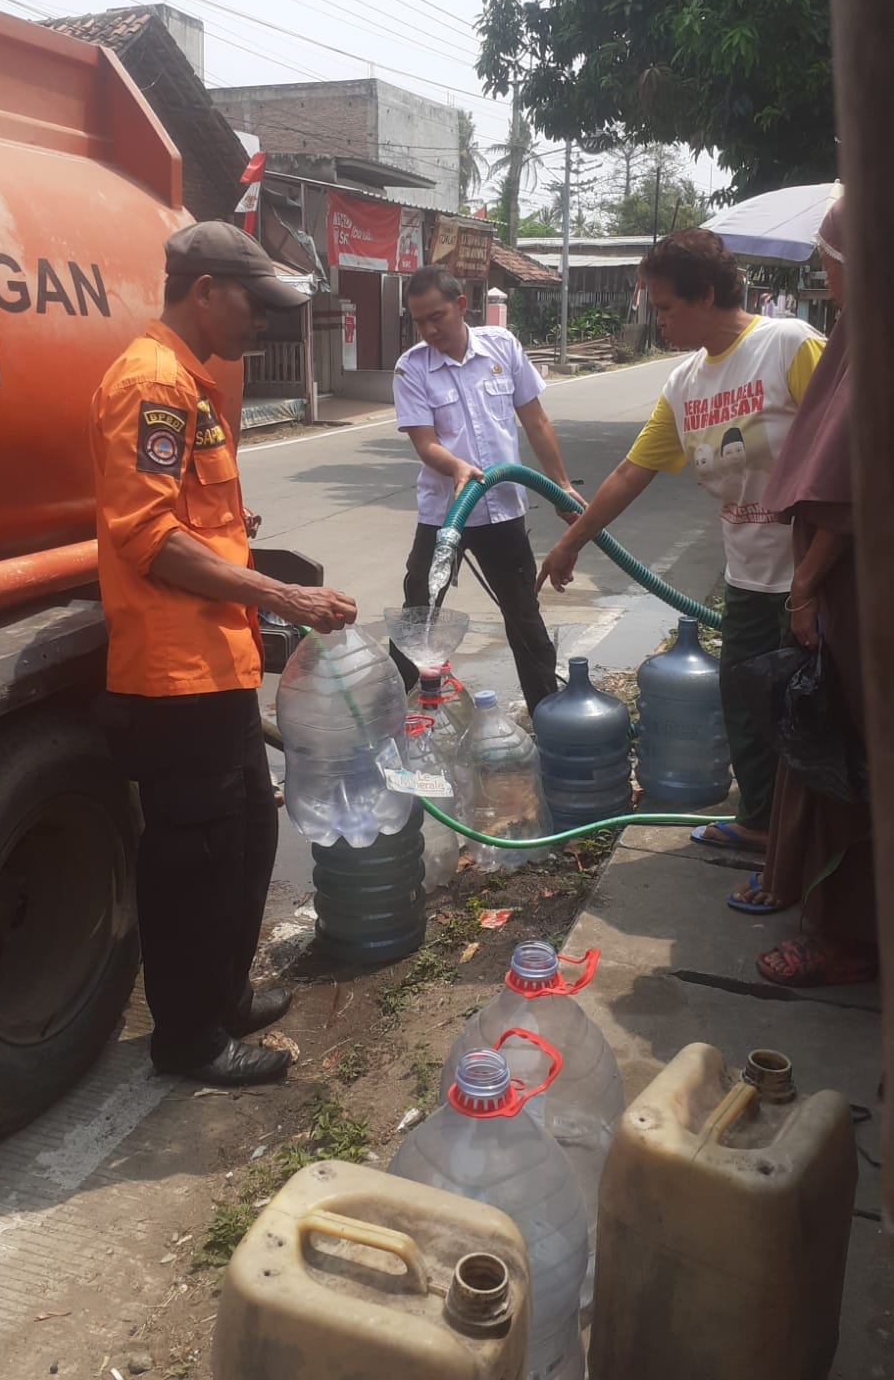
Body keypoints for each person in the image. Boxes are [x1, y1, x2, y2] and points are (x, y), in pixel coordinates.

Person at [90, 222, 357, 1088]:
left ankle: (227, 993)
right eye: (255, 304)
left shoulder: (194, 382)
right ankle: (188, 1039)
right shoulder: (153, 381)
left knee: (246, 834)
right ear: (204, 289)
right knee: (192, 864)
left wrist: (243, 555)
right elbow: (149, 537)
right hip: (175, 677)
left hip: (219, 664)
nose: (265, 325)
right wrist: (285, 597)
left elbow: (195, 523)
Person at [537, 228, 826, 848]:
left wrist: (817, 576)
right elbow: (630, 472)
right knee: (747, 704)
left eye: (666, 306)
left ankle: (812, 845)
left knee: (814, 715)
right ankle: (760, 826)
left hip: (820, 574)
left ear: (710, 295)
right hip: (750, 575)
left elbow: (853, 448)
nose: (657, 319)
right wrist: (571, 542)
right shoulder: (686, 383)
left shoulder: (788, 346)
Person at [727, 198, 877, 986]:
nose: (824, 271)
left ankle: (844, 933)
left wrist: (806, 589)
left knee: (837, 753)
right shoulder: (853, 335)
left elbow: (853, 490)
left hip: (855, 597)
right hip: (845, 585)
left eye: (831, 255)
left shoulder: (869, 337)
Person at [391, 265, 583, 713]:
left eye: (436, 316)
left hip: (502, 512)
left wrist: (560, 486)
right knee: (419, 615)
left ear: (461, 306)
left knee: (523, 618)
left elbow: (535, 421)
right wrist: (457, 468)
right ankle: (386, 720)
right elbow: (425, 443)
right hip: (444, 515)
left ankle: (547, 717)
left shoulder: (502, 347)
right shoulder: (411, 368)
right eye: (418, 320)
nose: (428, 329)